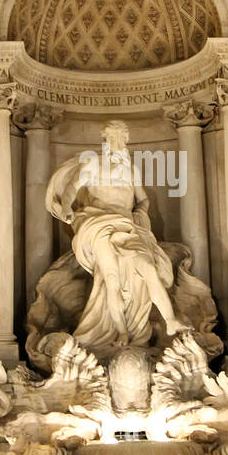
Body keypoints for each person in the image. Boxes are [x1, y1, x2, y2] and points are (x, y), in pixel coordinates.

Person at [45, 120, 187, 353]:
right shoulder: (92, 165)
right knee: (111, 278)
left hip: (127, 227)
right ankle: (121, 330)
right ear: (104, 141)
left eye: (121, 139)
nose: (117, 144)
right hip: (98, 225)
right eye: (113, 138)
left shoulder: (130, 170)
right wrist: (67, 208)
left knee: (148, 268)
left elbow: (143, 199)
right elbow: (71, 188)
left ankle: (170, 320)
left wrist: (140, 213)